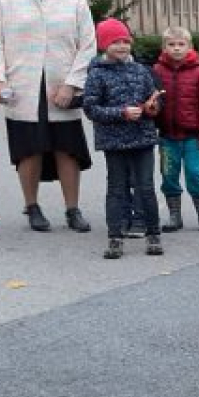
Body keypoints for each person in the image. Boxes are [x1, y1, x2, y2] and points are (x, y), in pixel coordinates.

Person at [0, 0, 96, 233]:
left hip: (61, 85)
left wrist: (72, 84)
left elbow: (88, 46)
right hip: (22, 85)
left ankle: (73, 209)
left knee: (67, 149)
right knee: (28, 149)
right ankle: (32, 206)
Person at [82, 19, 163, 259]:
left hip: (142, 137)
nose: (122, 46)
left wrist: (152, 107)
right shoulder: (97, 73)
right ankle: (115, 236)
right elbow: (91, 108)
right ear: (104, 45)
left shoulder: (140, 70)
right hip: (114, 141)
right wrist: (121, 113)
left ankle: (153, 234)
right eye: (115, 42)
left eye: (125, 41)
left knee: (146, 187)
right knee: (116, 188)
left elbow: (153, 99)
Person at [152, 26, 199, 233]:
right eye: (171, 44)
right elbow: (152, 98)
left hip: (192, 136)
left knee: (195, 173)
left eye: (181, 44)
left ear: (190, 47)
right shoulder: (157, 70)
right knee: (168, 174)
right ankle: (174, 215)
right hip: (167, 136)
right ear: (164, 47)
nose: (177, 48)